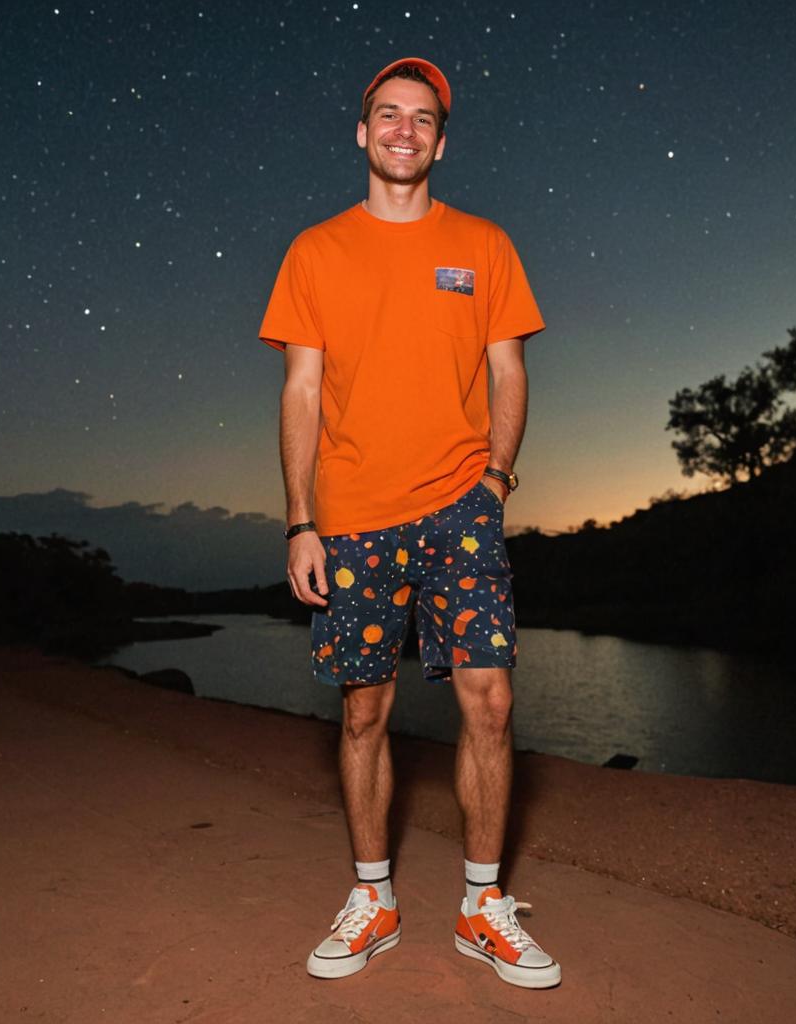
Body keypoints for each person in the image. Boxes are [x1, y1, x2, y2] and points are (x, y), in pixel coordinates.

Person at [259, 57, 560, 990]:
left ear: (440, 139)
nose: (402, 130)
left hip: (461, 508)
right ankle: (373, 896)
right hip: (350, 522)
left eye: (421, 118)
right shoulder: (315, 251)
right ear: (361, 132)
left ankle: (481, 905)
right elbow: (300, 389)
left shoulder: (484, 243)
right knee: (363, 714)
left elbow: (509, 372)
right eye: (386, 115)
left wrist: (497, 482)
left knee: (492, 703)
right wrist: (299, 520)